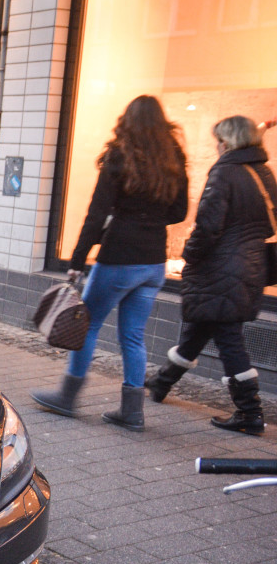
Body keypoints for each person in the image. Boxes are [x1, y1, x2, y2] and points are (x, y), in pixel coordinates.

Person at [31, 95, 188, 431]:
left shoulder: (120, 156)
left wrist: (76, 259)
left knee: (87, 324)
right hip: (153, 262)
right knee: (133, 336)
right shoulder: (174, 159)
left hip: (119, 257)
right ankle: (132, 411)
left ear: (126, 121)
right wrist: (151, 217)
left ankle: (68, 397)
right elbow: (180, 212)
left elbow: (96, 214)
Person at [145, 116, 276, 435]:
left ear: (227, 142)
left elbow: (208, 224)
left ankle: (250, 412)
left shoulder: (225, 171)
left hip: (220, 267)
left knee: (228, 338)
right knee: (202, 326)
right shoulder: (263, 172)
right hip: (249, 264)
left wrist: (189, 254)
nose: (216, 145)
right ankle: (161, 384)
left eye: (218, 139)